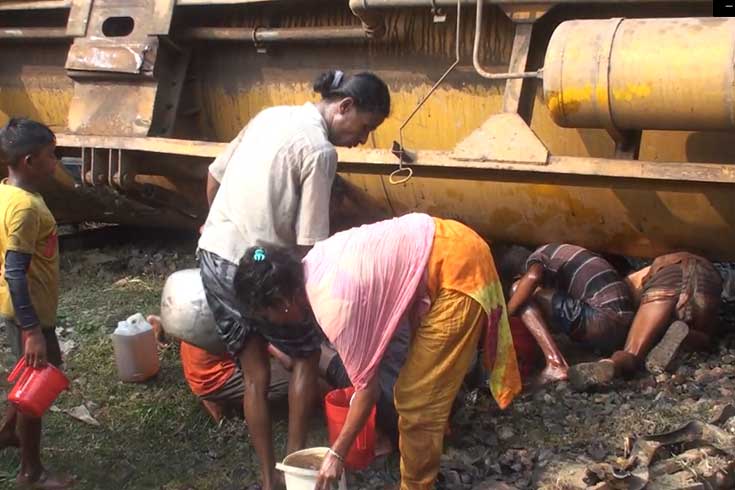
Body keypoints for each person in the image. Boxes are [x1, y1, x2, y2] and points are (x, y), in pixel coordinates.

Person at [196, 70, 390, 489]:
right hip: (266, 268)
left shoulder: (269, 116)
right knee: (304, 355)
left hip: (215, 255)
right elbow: (311, 246)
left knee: (254, 375)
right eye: (365, 127)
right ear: (345, 106)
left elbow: (214, 177)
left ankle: (268, 481)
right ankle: (295, 466)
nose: (362, 139)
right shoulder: (321, 152)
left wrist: (224, 229)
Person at [233, 213, 522, 490]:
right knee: (417, 381)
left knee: (413, 400)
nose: (272, 323)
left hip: (460, 270)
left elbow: (365, 391)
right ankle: (433, 429)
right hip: (447, 241)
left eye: (267, 316)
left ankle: (416, 485)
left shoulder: (333, 306)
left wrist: (336, 455)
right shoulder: (313, 263)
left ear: (282, 302)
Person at [0, 118, 74, 489]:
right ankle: (31, 472)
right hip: (29, 314)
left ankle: (7, 432)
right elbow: (15, 271)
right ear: (29, 161)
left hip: (21, 310)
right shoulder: (26, 209)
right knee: (36, 388)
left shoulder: (8, 194)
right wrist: (32, 331)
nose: (55, 161)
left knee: (32, 373)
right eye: (51, 155)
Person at [568, 252, 723, 390]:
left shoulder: (623, 283)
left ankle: (610, 365)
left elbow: (622, 315)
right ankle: (685, 333)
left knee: (633, 351)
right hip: (707, 279)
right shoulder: (658, 264)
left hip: (668, 278)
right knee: (704, 336)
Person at [505, 244, 635, 384]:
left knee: (518, 290)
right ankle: (603, 359)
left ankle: (555, 363)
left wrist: (507, 316)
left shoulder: (537, 258)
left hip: (601, 318)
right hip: (625, 326)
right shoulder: (558, 253)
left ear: (518, 274)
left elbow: (532, 277)